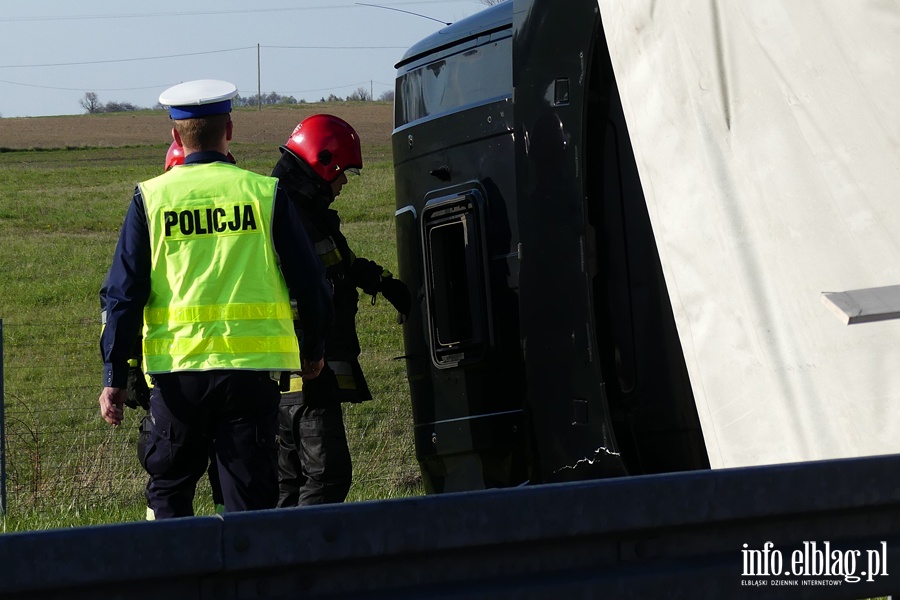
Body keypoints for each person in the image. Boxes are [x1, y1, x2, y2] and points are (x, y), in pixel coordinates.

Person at [98, 79, 333, 519]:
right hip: (250, 375)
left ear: (175, 136)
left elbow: (123, 295)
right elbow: (311, 282)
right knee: (250, 506)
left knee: (169, 496)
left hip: (176, 375)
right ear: (230, 129)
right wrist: (314, 349)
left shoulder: (150, 198)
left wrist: (114, 374)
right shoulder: (264, 193)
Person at [271, 114, 411, 507]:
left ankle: (281, 560)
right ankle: (306, 559)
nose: (345, 182)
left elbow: (337, 264)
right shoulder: (291, 215)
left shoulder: (299, 210)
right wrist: (311, 362)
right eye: (344, 172)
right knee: (326, 476)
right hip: (306, 377)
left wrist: (380, 281)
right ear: (324, 162)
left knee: (290, 484)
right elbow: (301, 291)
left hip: (294, 377)